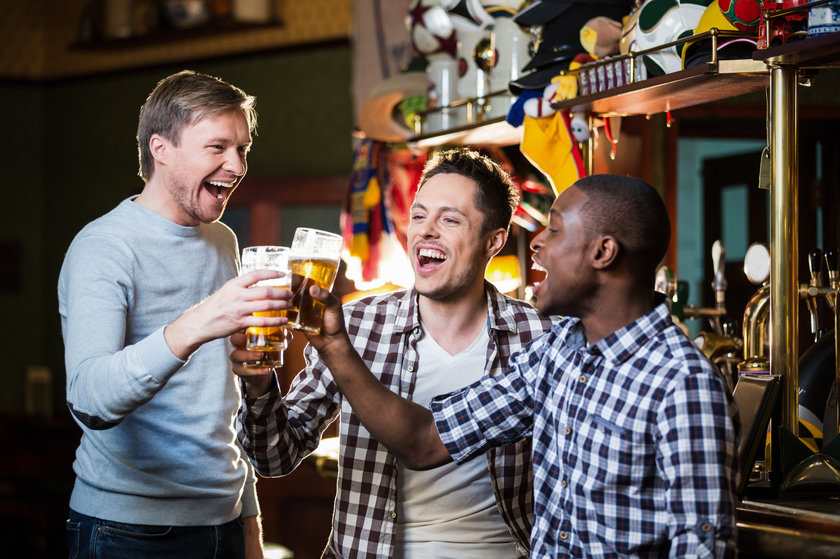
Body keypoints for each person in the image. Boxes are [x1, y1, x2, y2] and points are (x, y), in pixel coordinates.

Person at [299, 174, 740, 558]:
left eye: (556, 230)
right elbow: (424, 440)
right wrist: (335, 344)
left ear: (603, 252)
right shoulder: (558, 353)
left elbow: (704, 546)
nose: (537, 242)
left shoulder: (683, 384)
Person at [233, 149, 555, 558]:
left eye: (450, 219)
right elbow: (274, 457)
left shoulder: (541, 336)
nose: (426, 231)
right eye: (418, 216)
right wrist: (260, 385)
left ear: (494, 241)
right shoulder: (357, 323)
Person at [59, 70, 287, 559]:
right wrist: (200, 321)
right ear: (160, 148)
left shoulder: (222, 239)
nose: (237, 165)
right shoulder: (103, 247)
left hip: (224, 522)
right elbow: (89, 399)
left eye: (242, 149)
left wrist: (248, 519)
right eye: (218, 147)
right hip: (125, 532)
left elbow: (220, 405)